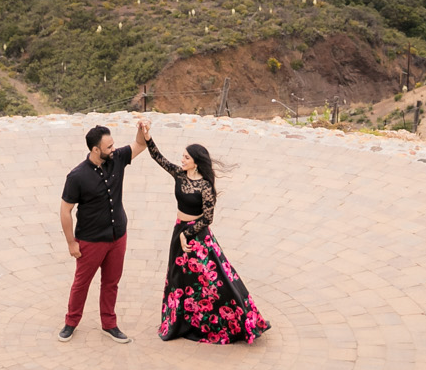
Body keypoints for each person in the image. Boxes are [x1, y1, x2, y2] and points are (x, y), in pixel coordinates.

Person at [139, 117, 270, 344]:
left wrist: (185, 235)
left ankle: (239, 321)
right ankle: (180, 323)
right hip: (179, 231)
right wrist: (147, 135)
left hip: (196, 236)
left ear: (196, 162)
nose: (182, 159)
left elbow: (208, 217)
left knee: (213, 281)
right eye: (183, 156)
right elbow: (157, 157)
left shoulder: (206, 186)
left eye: (186, 157)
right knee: (178, 279)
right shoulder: (179, 174)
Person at [59, 122, 147, 342]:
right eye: (109, 147)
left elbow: (139, 144)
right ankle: (71, 322)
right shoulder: (77, 176)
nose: (113, 149)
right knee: (82, 283)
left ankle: (109, 323)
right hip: (90, 240)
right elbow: (65, 210)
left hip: (118, 236)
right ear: (95, 149)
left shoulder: (116, 158)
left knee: (111, 282)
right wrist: (71, 242)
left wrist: (141, 130)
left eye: (113, 145)